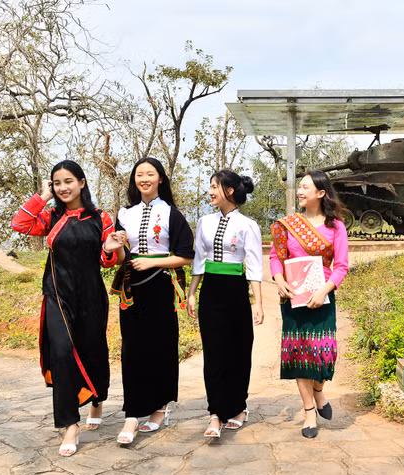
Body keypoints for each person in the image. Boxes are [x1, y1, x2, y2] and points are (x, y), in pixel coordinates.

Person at [11, 160, 123, 456]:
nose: (63, 187)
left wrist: (110, 248)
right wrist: (42, 196)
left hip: (90, 295)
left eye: (68, 181)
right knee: (61, 353)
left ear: (82, 183)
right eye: (57, 182)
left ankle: (96, 400)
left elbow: (107, 260)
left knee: (93, 350)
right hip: (57, 294)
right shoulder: (49, 217)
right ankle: (70, 424)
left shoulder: (101, 217)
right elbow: (19, 224)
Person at [110, 157, 194, 446]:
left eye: (150, 174)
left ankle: (160, 407)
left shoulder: (171, 213)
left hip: (160, 285)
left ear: (160, 179)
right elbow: (120, 259)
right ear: (134, 180)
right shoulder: (124, 214)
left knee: (162, 346)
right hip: (131, 288)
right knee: (132, 349)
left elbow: (186, 255)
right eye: (139, 174)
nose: (144, 178)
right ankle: (132, 415)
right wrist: (118, 247)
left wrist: (153, 263)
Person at [269, 170, 349, 438]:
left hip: (323, 297)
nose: (300, 192)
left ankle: (318, 390)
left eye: (305, 187)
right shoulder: (287, 225)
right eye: (299, 187)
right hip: (293, 298)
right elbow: (275, 258)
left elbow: (341, 266)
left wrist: (324, 289)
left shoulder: (335, 226)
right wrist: (279, 279)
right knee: (299, 356)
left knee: (324, 354)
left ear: (321, 193)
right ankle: (308, 412)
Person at [187, 170, 264, 438]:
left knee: (239, 350)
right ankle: (215, 413)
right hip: (211, 290)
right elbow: (199, 259)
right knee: (214, 352)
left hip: (236, 291)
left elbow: (254, 266)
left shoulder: (248, 225)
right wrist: (192, 292)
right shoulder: (204, 222)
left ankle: (238, 407)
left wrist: (258, 303)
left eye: (214, 187)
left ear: (229, 191)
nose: (210, 192)